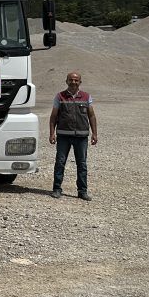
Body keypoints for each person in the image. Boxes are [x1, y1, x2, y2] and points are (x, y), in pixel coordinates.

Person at [48, 71, 98, 200]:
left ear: (80, 82)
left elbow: (91, 115)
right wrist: (52, 133)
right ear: (66, 81)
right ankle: (57, 189)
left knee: (82, 164)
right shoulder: (60, 96)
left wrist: (94, 134)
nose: (73, 82)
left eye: (76, 80)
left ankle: (82, 191)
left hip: (81, 136)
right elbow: (53, 116)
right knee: (60, 162)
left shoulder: (86, 97)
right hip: (63, 135)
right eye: (71, 80)